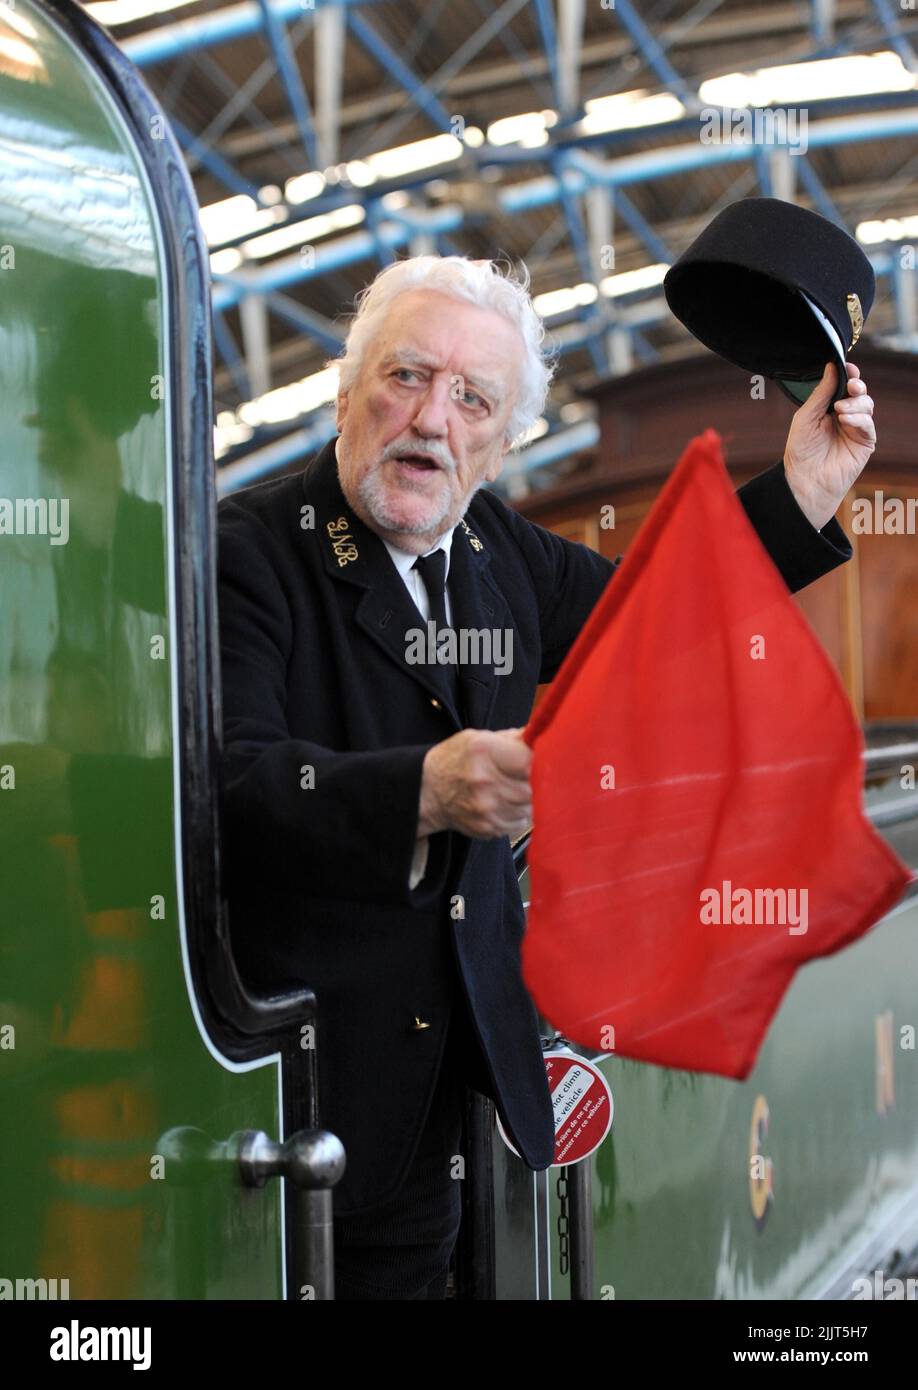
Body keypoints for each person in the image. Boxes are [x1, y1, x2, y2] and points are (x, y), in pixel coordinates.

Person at [216, 254, 876, 1300]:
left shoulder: (492, 550)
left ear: (502, 441)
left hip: (463, 1093)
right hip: (305, 1121)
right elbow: (232, 791)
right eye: (406, 377)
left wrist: (805, 487)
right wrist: (424, 791)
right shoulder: (246, 553)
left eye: (471, 397)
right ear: (346, 393)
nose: (432, 417)